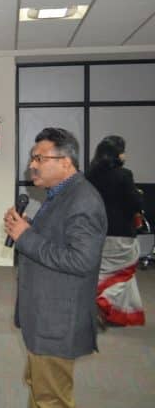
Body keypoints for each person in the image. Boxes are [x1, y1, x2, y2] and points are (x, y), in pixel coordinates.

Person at [3, 127, 106, 408]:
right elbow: (57, 239)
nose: (31, 165)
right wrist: (26, 228)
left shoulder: (83, 200)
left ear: (65, 162)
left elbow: (81, 260)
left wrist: (26, 236)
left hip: (57, 319)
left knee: (51, 399)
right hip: (45, 314)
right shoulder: (60, 194)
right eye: (32, 158)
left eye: (39, 158)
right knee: (40, 389)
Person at [86, 135, 145, 327]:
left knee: (104, 273)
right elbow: (134, 203)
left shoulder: (90, 176)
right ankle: (100, 304)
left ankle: (115, 315)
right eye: (123, 151)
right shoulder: (124, 175)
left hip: (97, 231)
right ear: (117, 154)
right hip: (121, 232)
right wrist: (138, 195)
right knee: (123, 273)